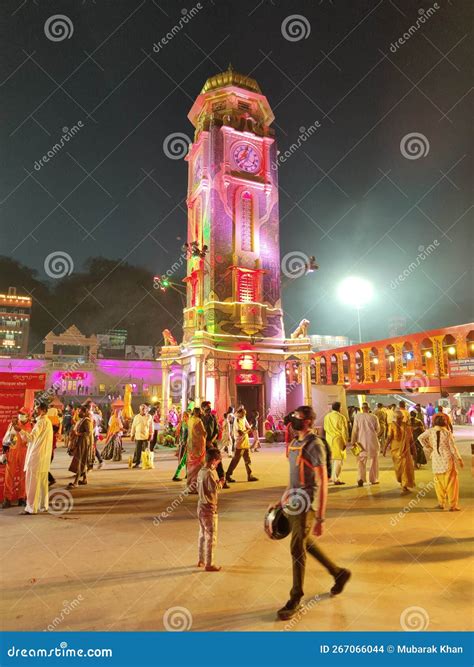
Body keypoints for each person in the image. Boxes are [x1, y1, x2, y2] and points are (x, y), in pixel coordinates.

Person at [276, 406, 351, 621]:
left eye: (298, 418)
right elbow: (294, 477)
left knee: (296, 547)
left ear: (308, 421)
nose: (293, 422)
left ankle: (295, 596)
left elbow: (323, 481)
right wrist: (282, 499)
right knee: (304, 542)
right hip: (293, 501)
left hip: (307, 504)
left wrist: (320, 517)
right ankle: (338, 573)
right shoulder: (295, 444)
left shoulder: (314, 445)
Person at [418, 415, 463, 511]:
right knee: (451, 483)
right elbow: (452, 448)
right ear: (445, 423)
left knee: (438, 483)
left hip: (436, 460)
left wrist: (428, 447)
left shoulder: (430, 431)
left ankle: (441, 503)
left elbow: (420, 438)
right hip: (447, 460)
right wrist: (459, 459)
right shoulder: (447, 433)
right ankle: (452, 505)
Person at [16, 401, 53, 515]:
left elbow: (31, 438)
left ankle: (31, 508)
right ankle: (43, 505)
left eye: (37, 409)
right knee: (42, 483)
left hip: (36, 457)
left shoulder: (41, 422)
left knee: (32, 483)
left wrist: (20, 430)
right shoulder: (47, 422)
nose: (35, 411)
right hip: (43, 457)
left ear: (43, 411)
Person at [197, 448, 223, 572]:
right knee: (211, 537)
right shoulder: (210, 473)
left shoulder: (201, 471)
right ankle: (209, 563)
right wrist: (221, 483)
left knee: (202, 534)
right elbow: (214, 489)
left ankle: (201, 559)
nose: (217, 464)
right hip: (209, 508)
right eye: (218, 461)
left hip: (200, 506)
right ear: (213, 460)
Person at [2, 408, 31, 508]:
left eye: (23, 414)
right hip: (12, 452)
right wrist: (4, 452)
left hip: (24, 452)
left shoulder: (30, 426)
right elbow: (6, 438)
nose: (20, 415)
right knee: (9, 476)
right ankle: (7, 499)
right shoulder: (13, 424)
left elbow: (31, 440)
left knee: (23, 476)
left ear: (27, 416)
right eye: (19, 414)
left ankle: (22, 498)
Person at [384, 410, 416, 494]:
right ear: (395, 418)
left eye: (400, 418)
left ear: (402, 418)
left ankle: (404, 484)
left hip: (405, 450)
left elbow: (411, 440)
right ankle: (401, 480)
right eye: (397, 418)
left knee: (405, 467)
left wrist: (414, 450)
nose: (399, 419)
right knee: (398, 468)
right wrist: (384, 448)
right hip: (395, 450)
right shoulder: (392, 426)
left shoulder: (407, 427)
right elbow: (389, 438)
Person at [226, 406, 258, 483]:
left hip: (245, 442)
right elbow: (241, 432)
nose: (244, 415)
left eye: (244, 414)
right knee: (236, 460)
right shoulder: (236, 420)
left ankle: (249, 475)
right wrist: (247, 430)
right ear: (239, 413)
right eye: (242, 414)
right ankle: (228, 475)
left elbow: (247, 427)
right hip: (239, 443)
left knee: (247, 459)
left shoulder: (243, 418)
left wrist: (247, 430)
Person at [351, 402, 380, 487]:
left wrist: (353, 441)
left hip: (361, 442)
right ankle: (373, 479)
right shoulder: (374, 417)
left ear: (362, 408)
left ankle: (361, 478)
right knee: (373, 461)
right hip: (372, 441)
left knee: (360, 461)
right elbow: (377, 429)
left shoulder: (357, 417)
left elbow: (355, 430)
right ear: (369, 408)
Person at [201, 401, 228, 487]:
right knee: (203, 463)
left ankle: (223, 480)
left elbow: (216, 431)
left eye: (210, 407)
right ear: (203, 408)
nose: (209, 409)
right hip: (203, 443)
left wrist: (211, 441)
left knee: (218, 461)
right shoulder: (200, 419)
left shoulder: (213, 418)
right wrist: (206, 442)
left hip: (212, 443)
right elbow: (199, 432)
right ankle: (201, 482)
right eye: (207, 407)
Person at [323, 402, 348, 485]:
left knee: (332, 459)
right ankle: (336, 478)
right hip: (338, 440)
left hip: (329, 439)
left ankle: (332, 477)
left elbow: (325, 428)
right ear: (339, 408)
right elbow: (344, 431)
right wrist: (345, 442)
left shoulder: (327, 416)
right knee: (338, 460)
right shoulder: (341, 417)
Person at [68, 406, 93, 488]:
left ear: (85, 412)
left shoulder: (87, 421)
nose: (78, 413)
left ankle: (76, 482)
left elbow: (88, 433)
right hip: (80, 442)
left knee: (80, 461)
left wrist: (78, 434)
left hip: (83, 443)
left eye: (80, 411)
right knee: (82, 460)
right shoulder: (82, 420)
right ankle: (84, 479)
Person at [186, 407, 207, 494]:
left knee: (191, 466)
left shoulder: (190, 420)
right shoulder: (198, 421)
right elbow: (204, 432)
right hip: (198, 446)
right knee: (198, 466)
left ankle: (189, 486)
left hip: (191, 445)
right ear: (198, 413)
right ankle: (195, 487)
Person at [172, 410, 189, 481]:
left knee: (187, 460)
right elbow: (178, 433)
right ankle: (176, 475)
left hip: (187, 444)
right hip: (182, 443)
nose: (184, 418)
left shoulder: (189, 424)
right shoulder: (181, 424)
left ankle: (187, 474)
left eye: (186, 416)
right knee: (181, 459)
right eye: (183, 416)